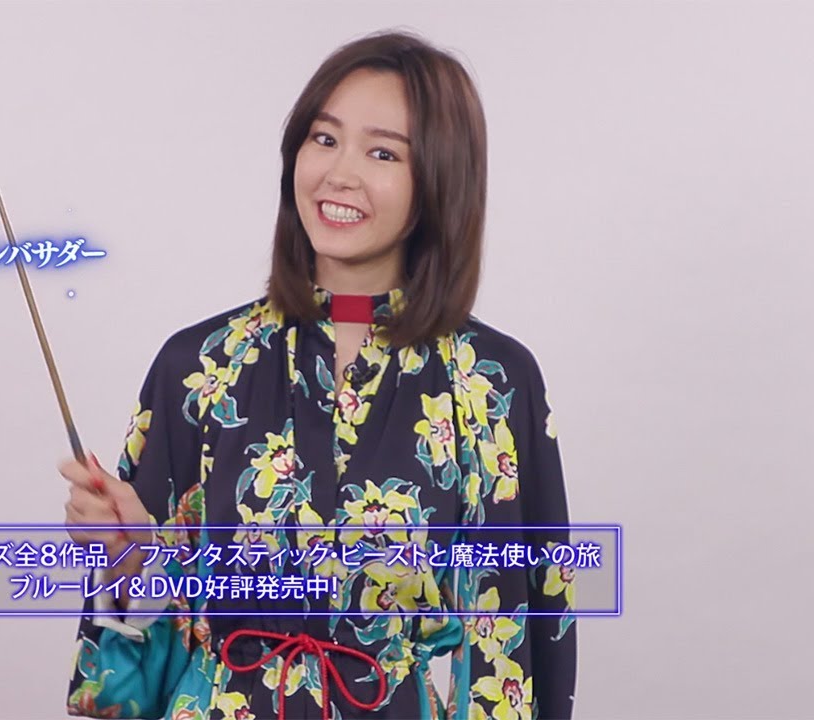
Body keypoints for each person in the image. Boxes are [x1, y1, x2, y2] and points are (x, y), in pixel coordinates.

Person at [61, 29, 576, 720]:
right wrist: (130, 561)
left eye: (383, 152)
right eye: (324, 139)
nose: (340, 173)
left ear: (439, 181)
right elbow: (135, 651)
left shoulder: (490, 382)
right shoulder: (200, 367)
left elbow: (515, 636)